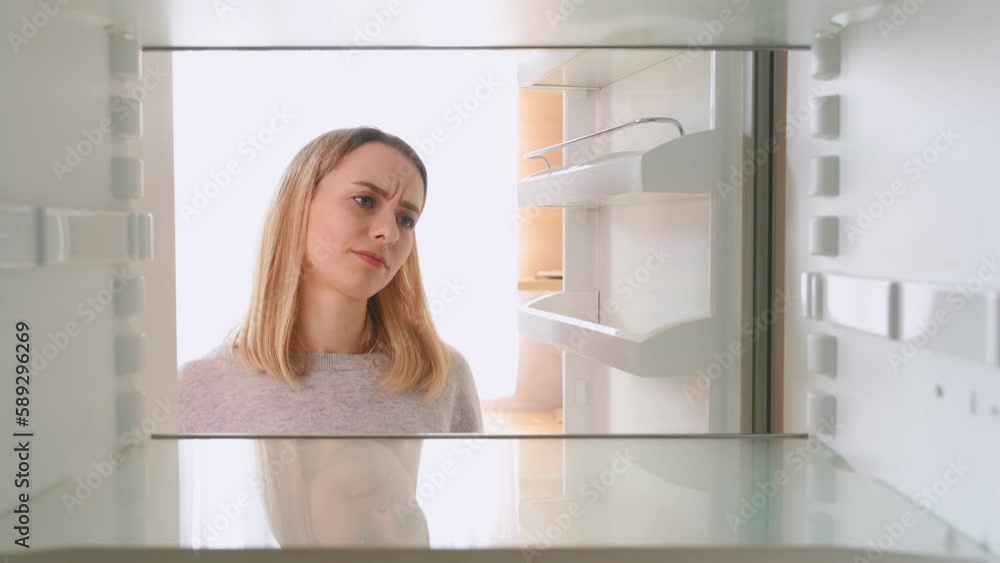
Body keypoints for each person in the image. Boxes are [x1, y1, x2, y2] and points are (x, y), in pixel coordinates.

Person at [178, 126, 483, 434]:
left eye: (405, 220)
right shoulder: (201, 387)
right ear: (297, 206)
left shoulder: (443, 378)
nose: (389, 232)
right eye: (364, 201)